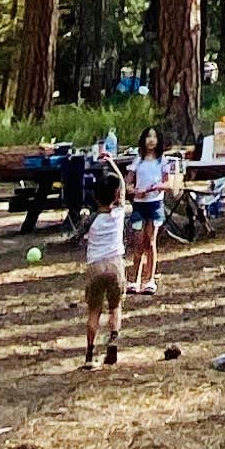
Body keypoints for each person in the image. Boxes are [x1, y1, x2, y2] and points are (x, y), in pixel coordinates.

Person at [76, 157, 128, 365]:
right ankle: (113, 340)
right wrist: (112, 162)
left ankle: (89, 354)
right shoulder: (119, 213)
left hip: (96, 266)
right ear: (115, 196)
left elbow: (77, 236)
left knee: (94, 310)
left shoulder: (92, 220)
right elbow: (122, 184)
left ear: (96, 198)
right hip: (115, 264)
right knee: (115, 307)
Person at [125, 135, 171, 298]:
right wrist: (135, 191)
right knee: (138, 241)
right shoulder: (138, 160)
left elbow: (168, 183)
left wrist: (158, 186)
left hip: (155, 205)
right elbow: (128, 183)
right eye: (148, 137)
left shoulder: (162, 161)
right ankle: (134, 278)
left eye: (154, 137)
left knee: (150, 241)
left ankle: (149, 279)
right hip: (139, 204)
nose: (151, 140)